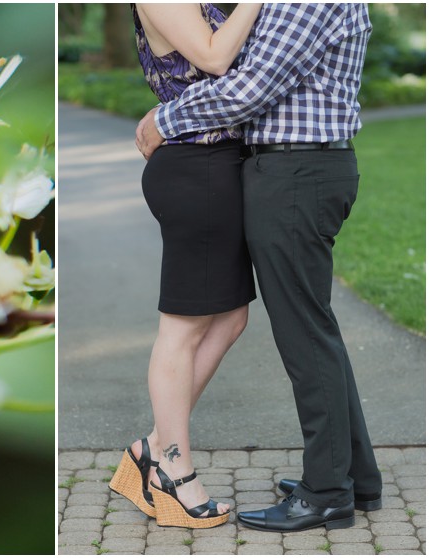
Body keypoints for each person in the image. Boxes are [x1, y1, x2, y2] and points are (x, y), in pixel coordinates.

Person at [135, 4, 376, 533]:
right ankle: (351, 476)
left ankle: (329, 490)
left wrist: (163, 118)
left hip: (296, 170)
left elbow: (248, 86)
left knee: (305, 332)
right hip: (282, 168)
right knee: (310, 327)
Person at [105, 2, 261, 530]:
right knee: (184, 326)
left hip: (221, 166)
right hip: (197, 167)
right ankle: (173, 470)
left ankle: (153, 447)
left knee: (230, 317)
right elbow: (217, 60)